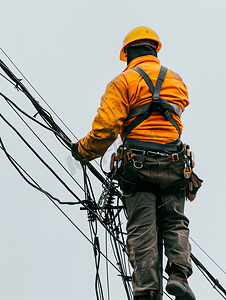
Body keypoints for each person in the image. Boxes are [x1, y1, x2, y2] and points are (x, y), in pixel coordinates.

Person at [71, 26, 201, 300]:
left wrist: (83, 151)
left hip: (138, 167)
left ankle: (147, 292)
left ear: (128, 53)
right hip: (175, 165)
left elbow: (105, 130)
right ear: (155, 50)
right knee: (175, 222)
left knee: (142, 229)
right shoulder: (176, 81)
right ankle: (179, 276)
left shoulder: (123, 82)